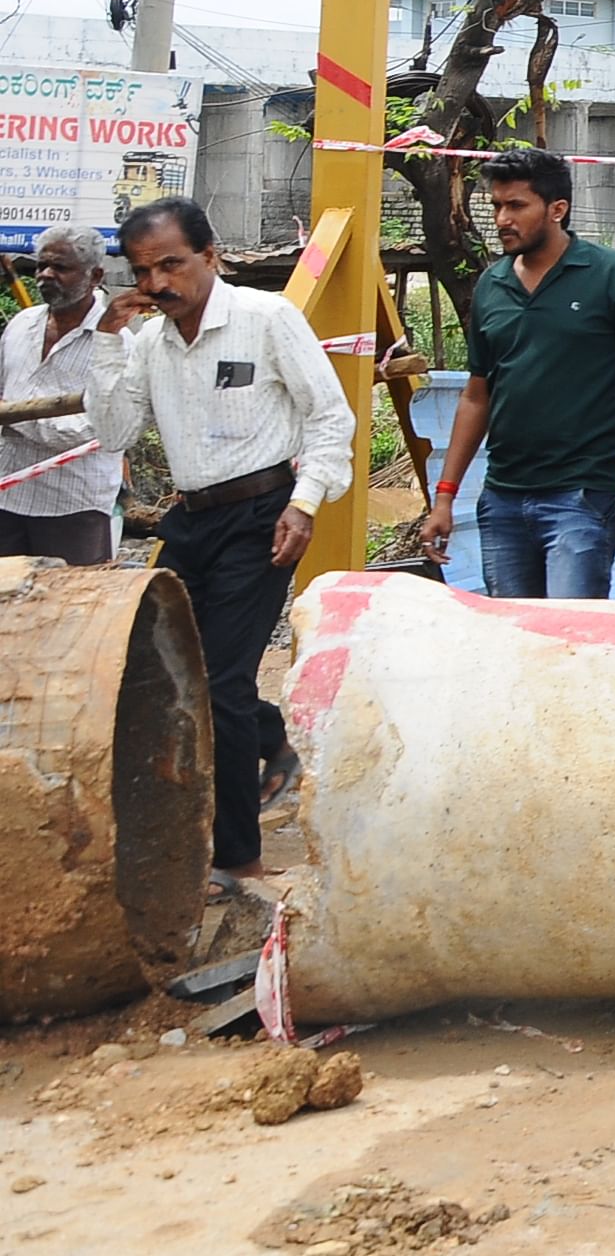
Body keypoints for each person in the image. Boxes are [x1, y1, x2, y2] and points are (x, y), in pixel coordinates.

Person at [84, 196, 352, 886]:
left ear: (210, 256)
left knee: (224, 684)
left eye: (172, 264)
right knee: (167, 674)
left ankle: (238, 863)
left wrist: (304, 504)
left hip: (261, 516)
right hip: (190, 521)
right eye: (145, 272)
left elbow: (329, 417)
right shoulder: (149, 341)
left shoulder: (267, 320)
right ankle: (272, 743)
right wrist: (109, 337)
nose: (159, 284)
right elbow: (113, 433)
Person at [415, 147, 615, 598]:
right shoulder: (493, 284)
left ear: (557, 209)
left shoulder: (612, 275)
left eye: (516, 205)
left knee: (568, 639)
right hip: (502, 500)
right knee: (512, 643)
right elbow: (476, 395)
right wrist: (445, 496)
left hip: (581, 499)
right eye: (495, 206)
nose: (502, 219)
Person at [0, 224, 120, 565]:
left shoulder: (115, 340)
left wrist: (12, 417)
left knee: (71, 609)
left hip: (73, 504)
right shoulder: (22, 324)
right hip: (8, 496)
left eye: (61, 268)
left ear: (95, 275)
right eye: (41, 266)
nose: (45, 275)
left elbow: (92, 431)